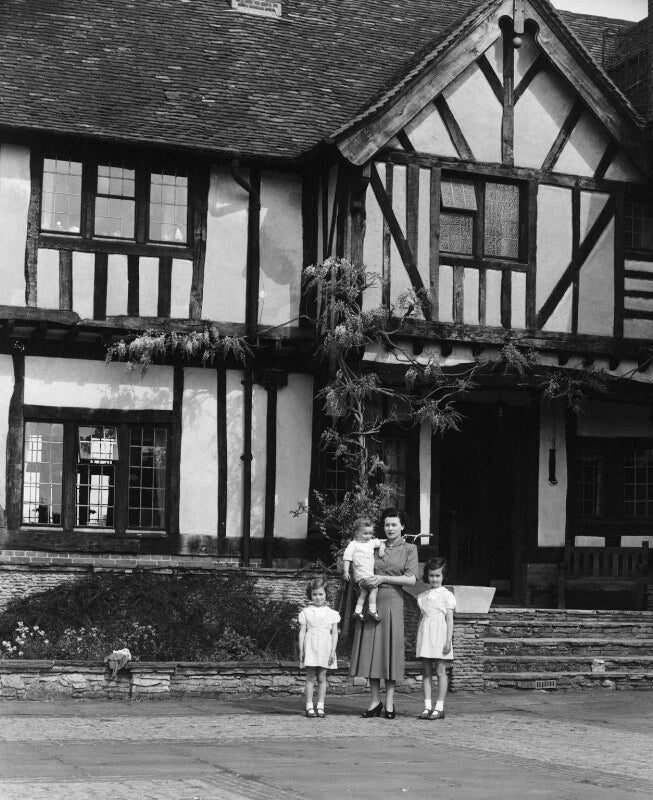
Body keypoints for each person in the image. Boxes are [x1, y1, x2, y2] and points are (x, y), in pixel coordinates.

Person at [349, 508, 417, 720]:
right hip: (372, 599)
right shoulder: (374, 544)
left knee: (390, 652)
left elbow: (411, 579)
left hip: (393, 601)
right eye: (387, 525)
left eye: (394, 525)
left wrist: (383, 579)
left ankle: (389, 702)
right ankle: (374, 701)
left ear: (402, 526)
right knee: (373, 651)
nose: (389, 528)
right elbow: (357, 564)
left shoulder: (410, 549)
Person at [416, 557, 456, 720]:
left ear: (443, 576)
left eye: (437, 576)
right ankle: (427, 707)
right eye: (431, 575)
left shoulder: (447, 595)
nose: (434, 579)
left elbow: (449, 619)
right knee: (426, 672)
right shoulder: (422, 596)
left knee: (440, 671)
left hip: (440, 635)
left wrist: (448, 640)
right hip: (426, 635)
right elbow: (421, 617)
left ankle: (439, 707)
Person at [298, 576, 340, 718]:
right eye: (314, 594)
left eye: (321, 594)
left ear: (326, 594)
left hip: (325, 649)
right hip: (310, 648)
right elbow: (302, 633)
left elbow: (334, 635)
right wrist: (301, 650)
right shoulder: (306, 612)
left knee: (322, 677)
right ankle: (309, 706)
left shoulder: (332, 614)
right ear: (310, 595)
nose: (318, 597)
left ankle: (320, 705)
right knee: (310, 678)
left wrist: (332, 652)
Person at [342, 516, 386, 622]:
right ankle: (372, 610)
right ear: (357, 533)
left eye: (370, 533)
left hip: (365, 575)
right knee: (374, 588)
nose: (368, 536)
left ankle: (357, 611)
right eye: (365, 533)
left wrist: (381, 550)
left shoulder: (371, 542)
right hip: (362, 574)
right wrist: (346, 571)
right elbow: (347, 558)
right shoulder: (353, 544)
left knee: (364, 592)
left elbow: (383, 542)